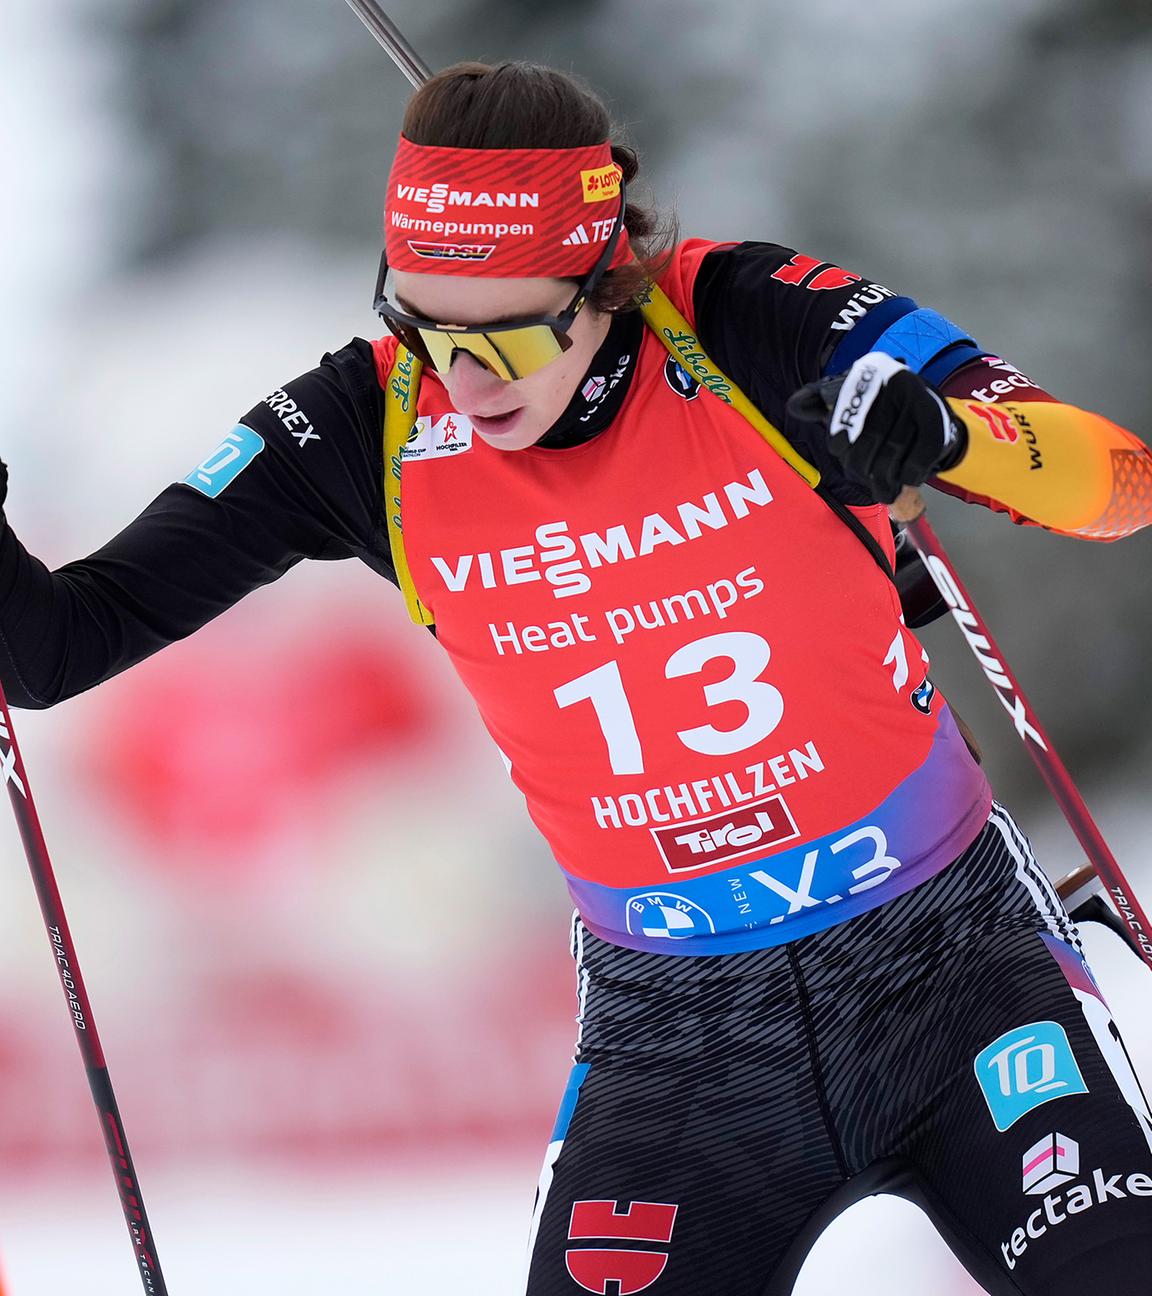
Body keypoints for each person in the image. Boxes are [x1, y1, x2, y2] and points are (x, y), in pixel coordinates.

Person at [3, 59, 1151, 1296]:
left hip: (953, 968)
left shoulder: (751, 321)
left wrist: (945, 435)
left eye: (504, 335)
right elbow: (58, 646)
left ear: (603, 278)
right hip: (682, 1042)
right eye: (423, 328)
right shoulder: (364, 427)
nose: (464, 381)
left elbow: (1118, 482)